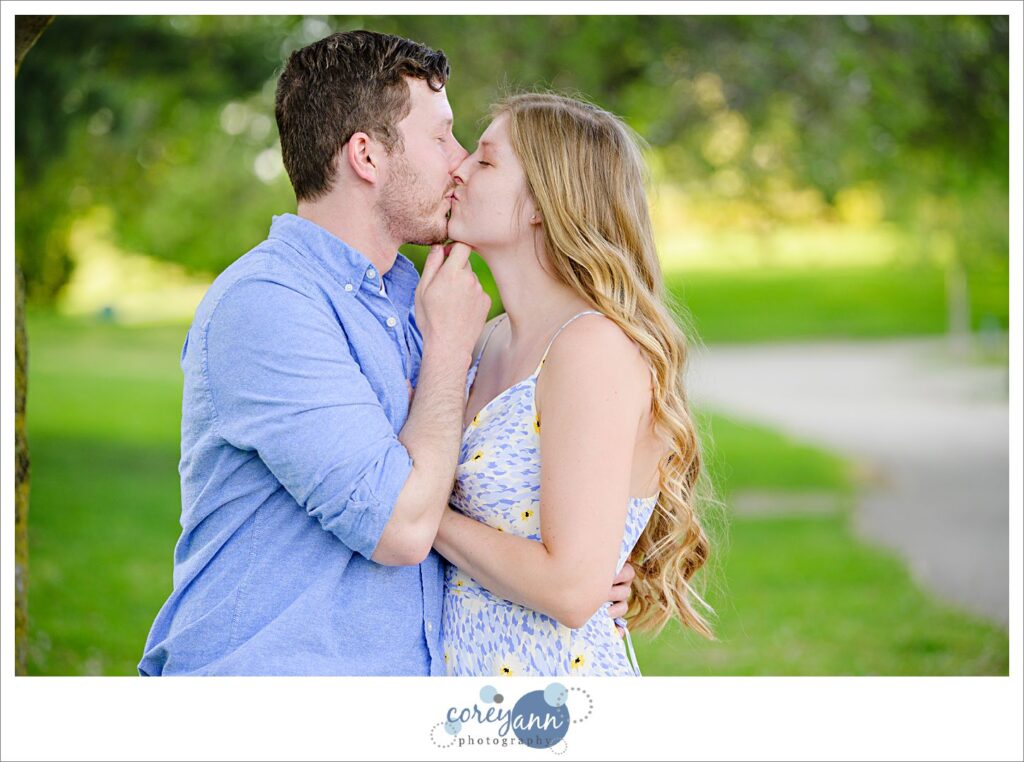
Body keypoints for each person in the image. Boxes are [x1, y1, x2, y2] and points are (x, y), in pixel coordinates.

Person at [138, 31, 632, 676]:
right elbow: (400, 527)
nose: (459, 162)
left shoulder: (415, 296)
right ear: (367, 156)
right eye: (441, 138)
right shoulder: (268, 305)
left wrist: (594, 570)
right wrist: (448, 350)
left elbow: (514, 475)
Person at [433, 93, 714, 676]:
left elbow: (569, 588)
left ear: (543, 201)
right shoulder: (486, 338)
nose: (458, 167)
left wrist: (413, 516)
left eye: (486, 160)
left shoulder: (591, 348)